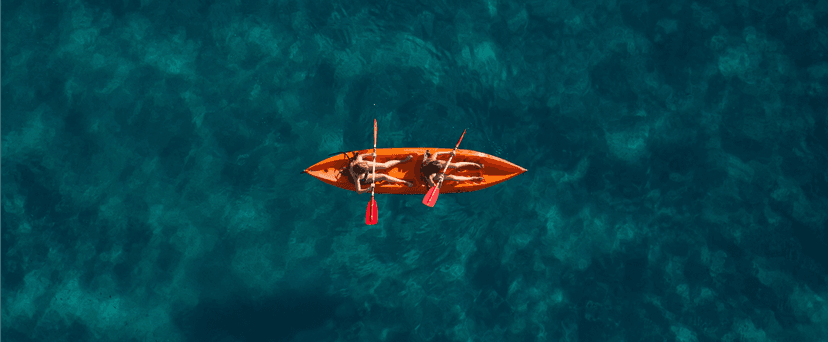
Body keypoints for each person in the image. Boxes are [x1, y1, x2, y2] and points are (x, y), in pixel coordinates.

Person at [347, 152, 414, 194]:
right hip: (364, 177)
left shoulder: (358, 161)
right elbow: (358, 191)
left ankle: (403, 160)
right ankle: (404, 182)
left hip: (365, 165)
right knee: (383, 176)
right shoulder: (357, 176)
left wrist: (371, 154)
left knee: (385, 165)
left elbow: (361, 156)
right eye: (366, 170)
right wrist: (369, 188)